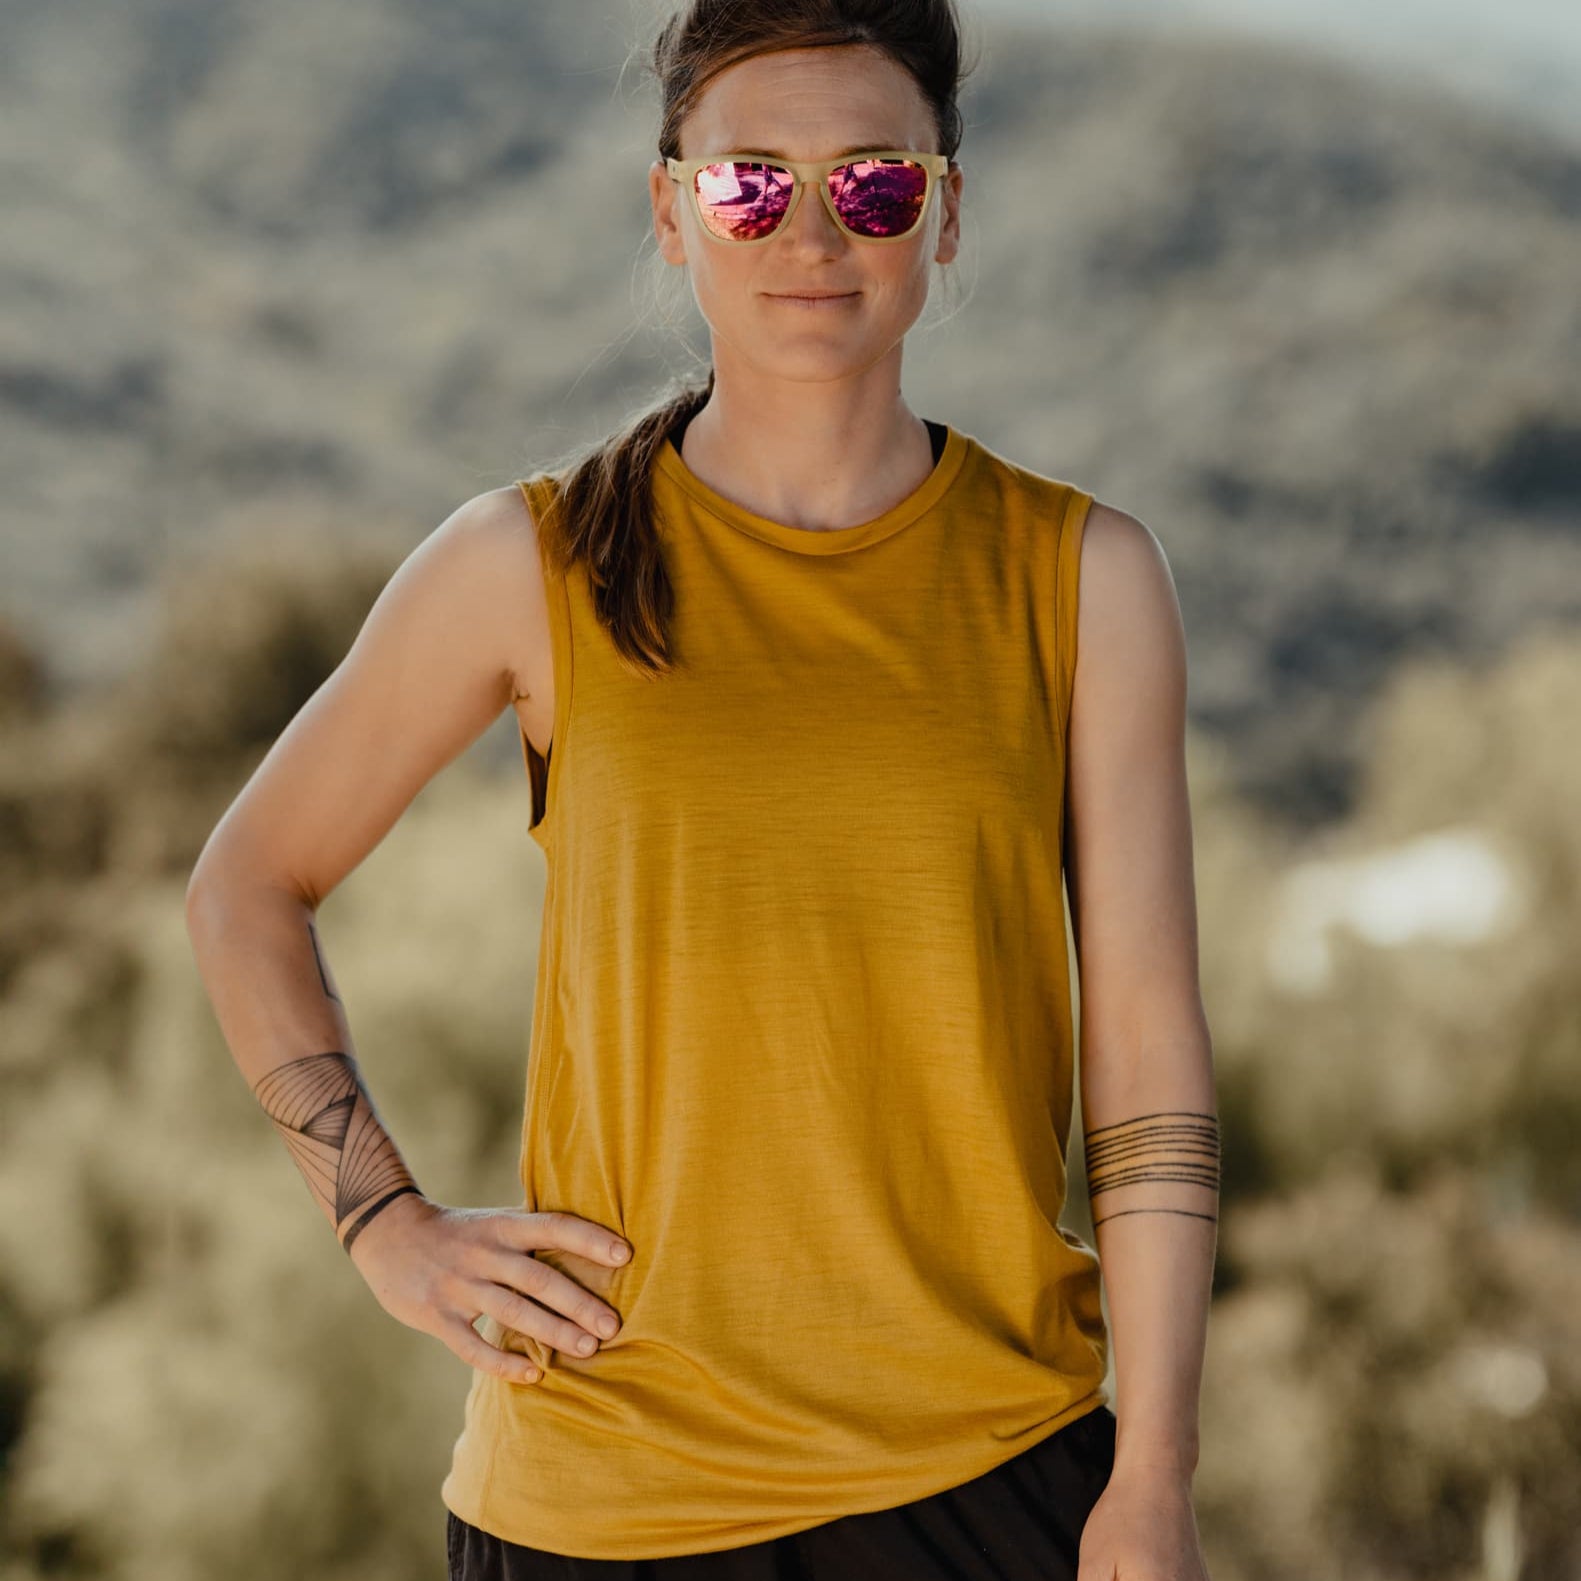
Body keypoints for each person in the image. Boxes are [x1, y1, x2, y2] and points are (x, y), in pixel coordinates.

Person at [184, 2, 1220, 1577]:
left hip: (992, 1477)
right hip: (596, 1498)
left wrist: (1152, 1474)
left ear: (947, 214)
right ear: (670, 214)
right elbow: (246, 883)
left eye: (873, 181)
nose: (811, 231)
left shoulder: (1082, 578)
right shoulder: (525, 564)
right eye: (750, 184)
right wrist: (386, 1222)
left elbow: (1144, 1068)